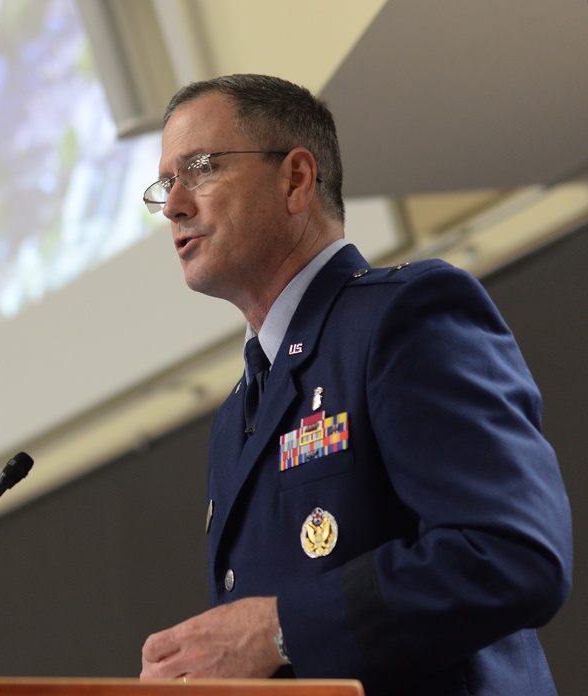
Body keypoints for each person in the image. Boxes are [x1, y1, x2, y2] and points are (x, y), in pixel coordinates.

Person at [138, 74, 572, 695]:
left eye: (201, 168)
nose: (175, 204)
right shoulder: (236, 414)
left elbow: (512, 553)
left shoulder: (403, 316)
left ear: (295, 180)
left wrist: (278, 630)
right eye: (165, 184)